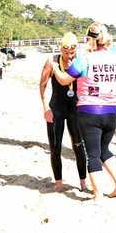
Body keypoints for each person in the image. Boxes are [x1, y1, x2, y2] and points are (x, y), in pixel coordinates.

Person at [52, 23, 116, 200]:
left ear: (90, 40)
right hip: (112, 110)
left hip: (90, 111)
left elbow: (64, 80)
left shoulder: (85, 59)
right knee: (104, 150)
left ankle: (98, 195)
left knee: (92, 154)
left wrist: (54, 66)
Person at [39, 32, 87, 192]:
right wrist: (45, 107)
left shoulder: (80, 62)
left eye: (72, 53)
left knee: (79, 146)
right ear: (60, 49)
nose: (69, 56)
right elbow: (42, 86)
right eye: (65, 53)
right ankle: (58, 182)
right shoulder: (51, 61)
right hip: (56, 109)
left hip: (75, 109)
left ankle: (83, 181)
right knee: (55, 147)